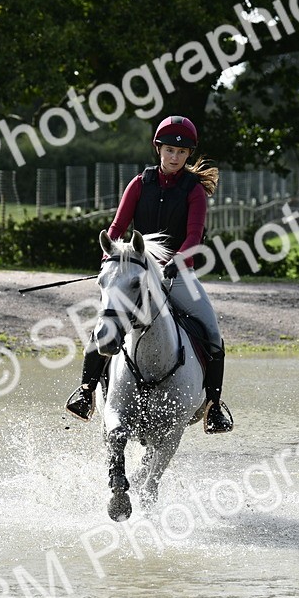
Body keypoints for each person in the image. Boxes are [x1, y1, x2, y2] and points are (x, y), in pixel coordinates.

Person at [64, 114, 234, 434]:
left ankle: (214, 406)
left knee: (213, 334)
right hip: (137, 272)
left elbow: (194, 236)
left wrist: (178, 260)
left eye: (181, 152)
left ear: (188, 154)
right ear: (158, 149)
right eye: (169, 150)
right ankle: (86, 391)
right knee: (105, 324)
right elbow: (117, 227)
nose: (174, 157)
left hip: (178, 275)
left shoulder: (194, 191)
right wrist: (110, 259)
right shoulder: (140, 183)